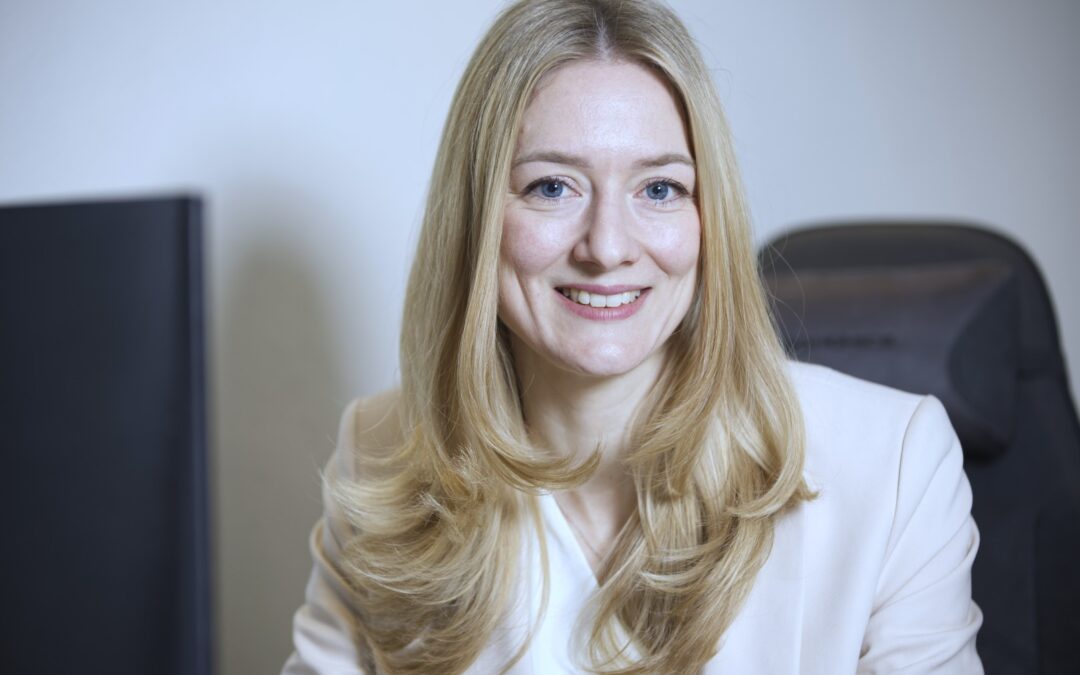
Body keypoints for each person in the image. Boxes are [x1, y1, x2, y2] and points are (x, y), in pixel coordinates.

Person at [283, 0, 983, 672]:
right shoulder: (380, 455)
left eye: (659, 189)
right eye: (552, 186)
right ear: (476, 218)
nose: (608, 247)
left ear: (709, 218)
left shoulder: (896, 467)